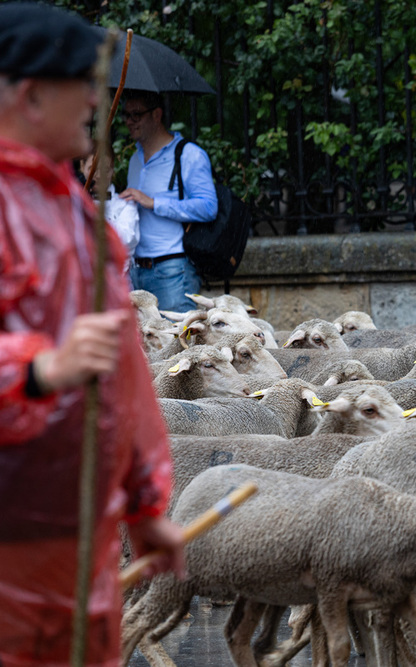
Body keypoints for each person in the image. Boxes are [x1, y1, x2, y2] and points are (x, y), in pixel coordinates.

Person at [0, 4, 185, 665]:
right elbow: (63, 363)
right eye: (83, 83)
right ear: (29, 93)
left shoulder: (78, 215)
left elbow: (123, 373)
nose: (96, 101)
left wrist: (143, 503)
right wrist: (39, 367)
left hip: (81, 534)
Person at [120, 90, 217, 312]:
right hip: (136, 271)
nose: (129, 121)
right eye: (126, 115)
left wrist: (154, 203)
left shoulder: (188, 155)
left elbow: (208, 207)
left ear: (156, 115)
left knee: (179, 344)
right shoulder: (135, 159)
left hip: (173, 270)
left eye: (136, 114)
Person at [82, 144, 141, 280]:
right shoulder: (73, 201)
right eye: (92, 169)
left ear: (112, 171)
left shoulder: (125, 204)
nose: (98, 175)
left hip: (117, 281)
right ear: (82, 167)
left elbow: (124, 238)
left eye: (105, 169)